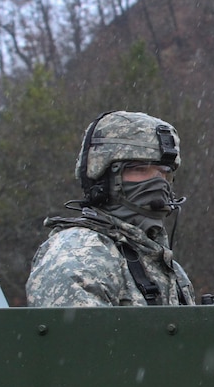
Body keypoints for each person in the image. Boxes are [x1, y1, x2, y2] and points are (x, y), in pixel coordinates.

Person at [26, 110, 196, 307]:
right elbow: (74, 337)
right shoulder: (81, 254)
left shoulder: (162, 263)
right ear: (104, 176)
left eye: (165, 172)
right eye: (140, 169)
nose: (158, 182)